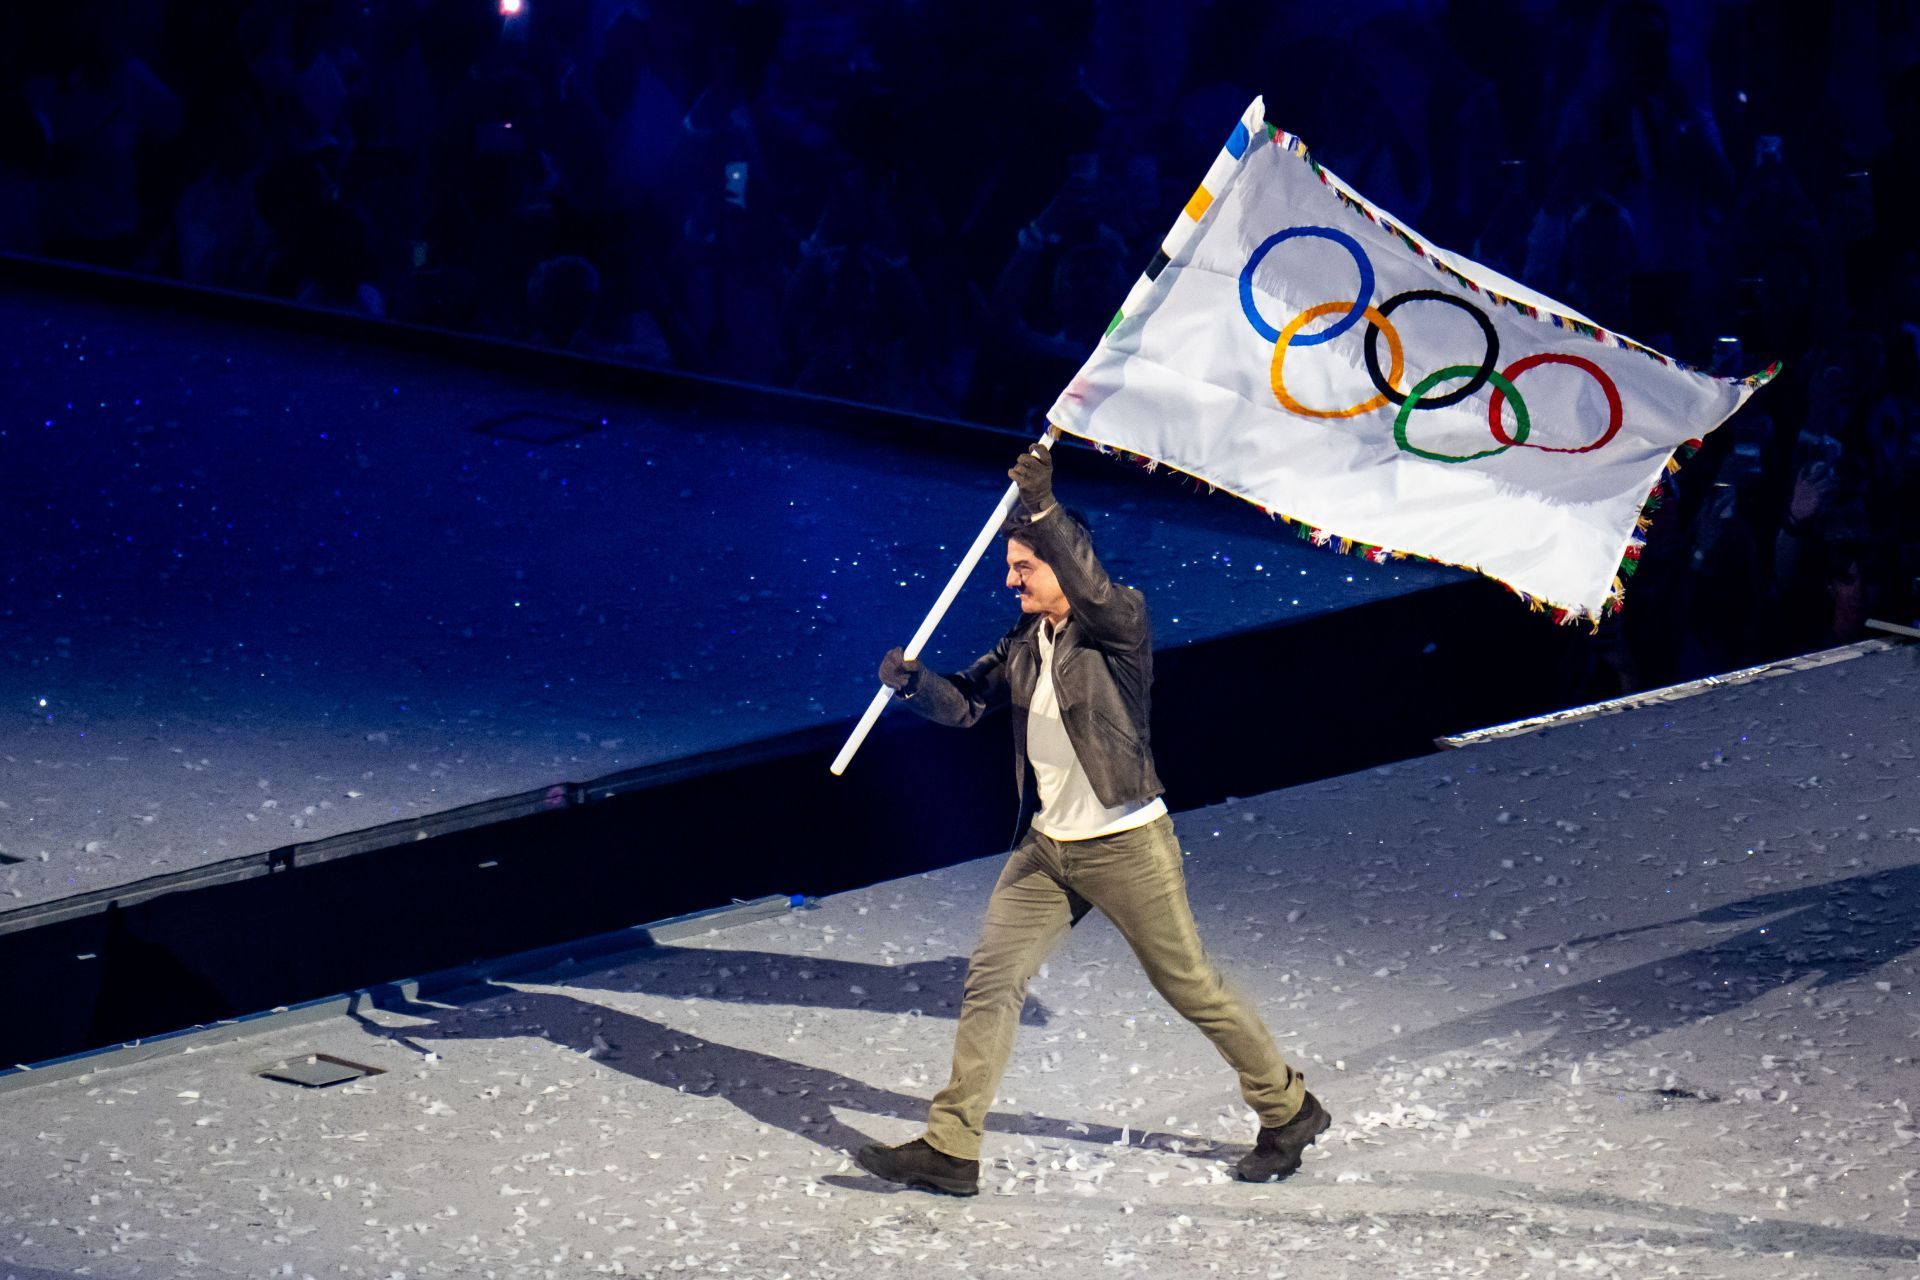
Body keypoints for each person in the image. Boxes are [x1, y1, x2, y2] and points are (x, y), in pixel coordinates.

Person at [855, 443, 1328, 1196]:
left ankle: (1288, 1106)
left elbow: (1094, 588)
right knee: (992, 979)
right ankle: (952, 1146)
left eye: (1024, 568)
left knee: (1189, 984)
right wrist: (917, 686)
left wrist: (1043, 506)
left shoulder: (1119, 625)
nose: (1010, 580)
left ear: (1062, 565)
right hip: (1048, 850)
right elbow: (970, 705)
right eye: (1011, 567)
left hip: (1125, 845)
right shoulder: (1023, 641)